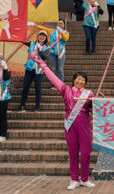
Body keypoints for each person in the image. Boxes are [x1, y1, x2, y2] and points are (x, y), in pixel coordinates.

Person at [29, 51, 95, 190]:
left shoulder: (89, 94)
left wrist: (92, 106)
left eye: (83, 80)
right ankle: (74, 179)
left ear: (85, 82)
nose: (80, 81)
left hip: (85, 124)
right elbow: (53, 78)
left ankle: (84, 179)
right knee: (72, 152)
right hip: (70, 124)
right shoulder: (65, 90)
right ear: (74, 80)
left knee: (86, 152)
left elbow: (95, 111)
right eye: (78, 79)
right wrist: (43, 65)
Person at [28, 19, 70, 84]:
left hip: (61, 53)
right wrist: (33, 24)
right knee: (53, 69)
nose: (60, 25)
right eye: (59, 23)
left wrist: (61, 31)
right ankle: (54, 84)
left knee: (60, 69)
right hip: (52, 53)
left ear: (64, 25)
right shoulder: (52, 31)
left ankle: (61, 84)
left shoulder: (66, 33)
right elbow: (43, 28)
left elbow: (65, 39)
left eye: (61, 23)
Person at [18, 30, 49, 112]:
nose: (42, 37)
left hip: (39, 71)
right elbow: (23, 40)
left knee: (38, 88)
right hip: (29, 69)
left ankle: (37, 106)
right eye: (40, 35)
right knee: (25, 87)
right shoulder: (32, 44)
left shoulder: (46, 48)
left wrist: (40, 49)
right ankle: (22, 105)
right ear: (38, 36)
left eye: (44, 36)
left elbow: (45, 57)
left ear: (46, 38)